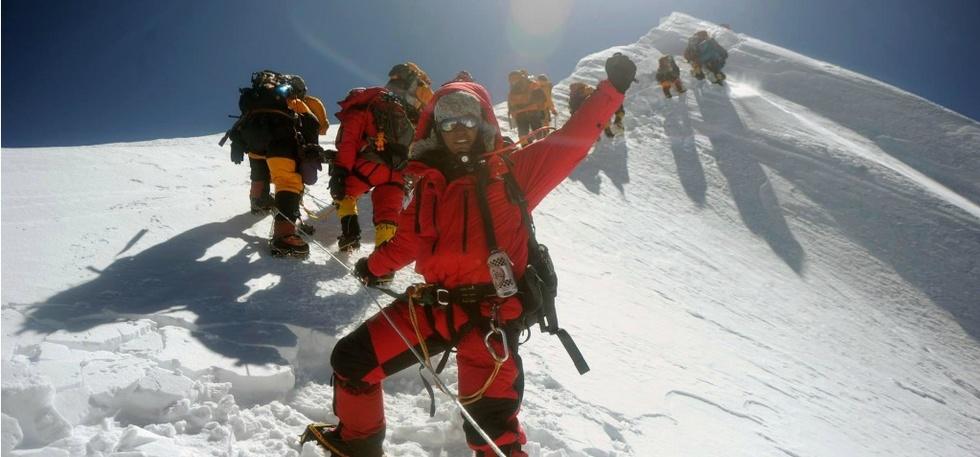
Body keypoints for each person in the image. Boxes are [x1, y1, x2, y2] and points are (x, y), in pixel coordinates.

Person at [304, 53, 636, 457]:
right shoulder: (428, 186)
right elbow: (405, 244)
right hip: (431, 307)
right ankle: (358, 444)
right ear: (434, 128)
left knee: (493, 434)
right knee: (351, 360)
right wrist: (371, 267)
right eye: (448, 120)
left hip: (491, 319)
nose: (458, 128)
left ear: (482, 123)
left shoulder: (512, 172)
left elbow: (571, 143)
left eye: (467, 118)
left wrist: (611, 91)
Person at [329, 63, 432, 260]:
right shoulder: (400, 110)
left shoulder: (362, 107)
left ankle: (350, 233)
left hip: (371, 164)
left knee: (345, 192)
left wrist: (341, 170)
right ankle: (383, 261)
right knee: (388, 212)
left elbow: (349, 142)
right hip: (398, 171)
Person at [224, 70, 328, 258]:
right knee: (288, 180)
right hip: (280, 139)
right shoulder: (293, 101)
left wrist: (237, 142)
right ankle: (284, 237)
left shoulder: (258, 101)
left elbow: (243, 119)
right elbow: (312, 122)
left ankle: (258, 202)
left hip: (253, 139)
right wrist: (311, 147)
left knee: (259, 172)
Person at [506, 70, 548, 143]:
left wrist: (513, 111)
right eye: (512, 79)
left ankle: (532, 146)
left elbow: (541, 98)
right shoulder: (514, 91)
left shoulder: (513, 91)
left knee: (526, 133)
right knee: (531, 133)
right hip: (528, 113)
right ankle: (538, 145)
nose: (513, 81)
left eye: (514, 78)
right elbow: (542, 98)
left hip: (529, 113)